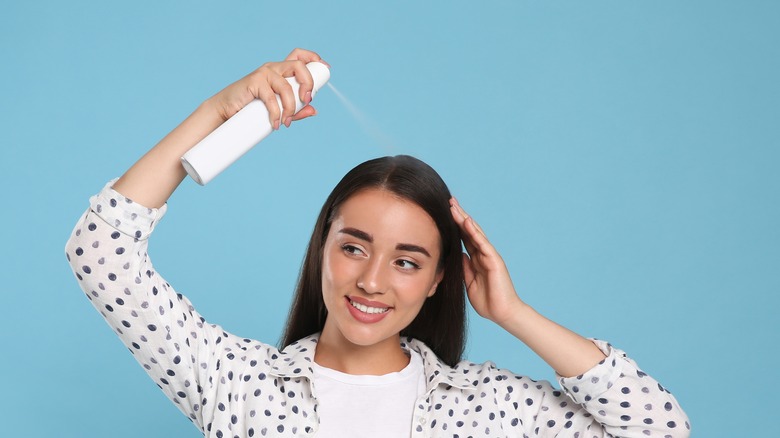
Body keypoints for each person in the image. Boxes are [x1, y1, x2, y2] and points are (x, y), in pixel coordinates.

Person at [65, 48, 689, 437]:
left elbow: (660, 430)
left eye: (407, 261)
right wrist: (218, 110)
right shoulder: (237, 383)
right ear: (323, 248)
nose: (371, 281)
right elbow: (100, 252)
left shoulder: (488, 407)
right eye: (354, 247)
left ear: (442, 277)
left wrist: (514, 315)